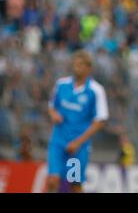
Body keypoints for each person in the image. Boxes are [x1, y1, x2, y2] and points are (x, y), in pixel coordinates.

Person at [47, 50, 109, 193]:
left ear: (88, 68)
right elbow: (51, 106)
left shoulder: (95, 90)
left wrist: (78, 142)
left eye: (80, 65)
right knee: (52, 180)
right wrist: (54, 114)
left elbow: (100, 121)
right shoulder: (61, 84)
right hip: (58, 141)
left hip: (78, 145)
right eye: (75, 64)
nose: (76, 68)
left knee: (74, 183)